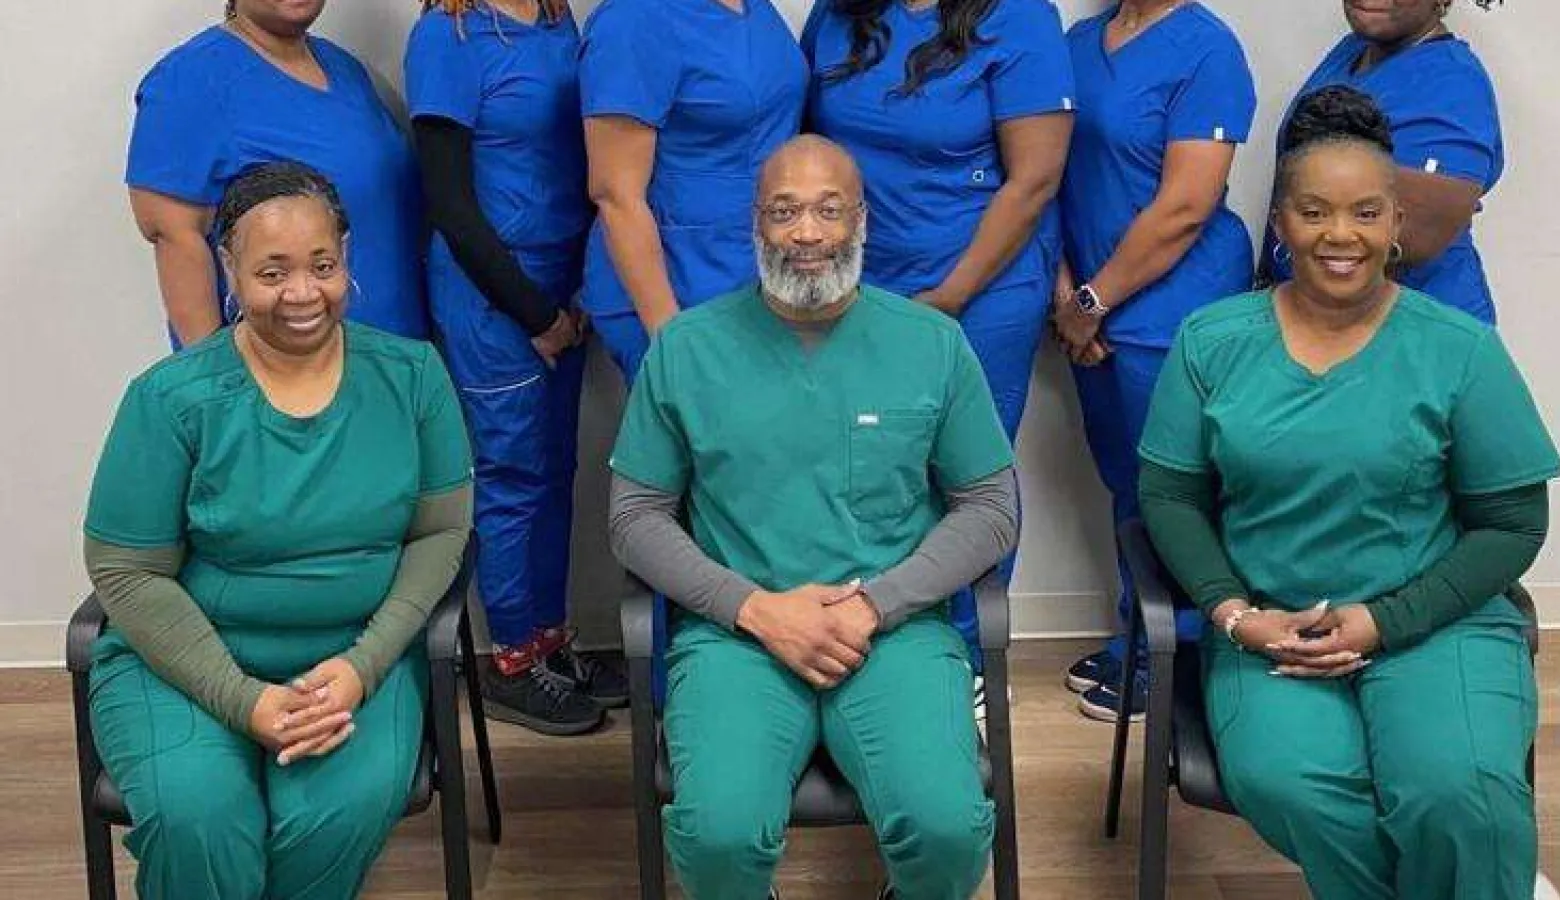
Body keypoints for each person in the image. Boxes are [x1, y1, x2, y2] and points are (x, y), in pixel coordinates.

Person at [1138, 86, 1560, 900]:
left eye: (1367, 213)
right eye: (1315, 212)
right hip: (1276, 629)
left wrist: (1387, 620)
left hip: (1436, 621)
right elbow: (1171, 498)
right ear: (1280, 224)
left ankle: (1481, 874)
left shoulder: (1458, 350)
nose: (1341, 235)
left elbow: (1512, 523)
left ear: (1399, 226)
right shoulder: (1213, 341)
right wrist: (1234, 613)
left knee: (1456, 793)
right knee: (1297, 787)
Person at [608, 136, 1018, 900]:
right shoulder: (686, 350)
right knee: (718, 834)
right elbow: (634, 518)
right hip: (738, 636)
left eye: (829, 211)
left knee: (948, 827)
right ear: (754, 225)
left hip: (892, 632)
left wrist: (874, 604)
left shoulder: (931, 344)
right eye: (784, 212)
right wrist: (754, 609)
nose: (806, 233)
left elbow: (991, 509)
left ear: (862, 220)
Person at [83, 162, 473, 899]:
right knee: (200, 816)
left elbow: (441, 534)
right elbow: (127, 570)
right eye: (272, 271)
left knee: (334, 816)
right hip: (187, 664)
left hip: (354, 663)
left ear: (346, 258)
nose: (302, 293)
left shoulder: (414, 377)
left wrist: (364, 665)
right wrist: (242, 698)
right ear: (228, 267)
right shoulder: (172, 399)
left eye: (322, 265)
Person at [802, 0, 1074, 667]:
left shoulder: (1019, 16)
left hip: (979, 286)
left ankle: (968, 664)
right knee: (864, 471)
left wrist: (949, 296)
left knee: (967, 483)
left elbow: (1035, 180)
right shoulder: (839, 13)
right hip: (860, 287)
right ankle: (867, 650)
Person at [406, 0, 624, 737]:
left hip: (567, 282)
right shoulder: (450, 34)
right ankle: (508, 661)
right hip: (493, 296)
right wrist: (535, 313)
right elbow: (450, 203)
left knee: (557, 469)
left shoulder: (561, 20)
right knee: (512, 475)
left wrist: (582, 291)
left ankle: (552, 641)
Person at [1053, 0, 1258, 722]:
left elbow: (1187, 205)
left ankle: (1185, 658)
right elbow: (1042, 170)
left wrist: (1091, 301)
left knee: (1177, 490)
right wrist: (1067, 293)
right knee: (1125, 482)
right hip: (1089, 300)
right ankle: (1138, 634)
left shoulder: (1209, 50)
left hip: (1175, 308)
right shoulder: (1079, 41)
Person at [127, 0, 428, 346]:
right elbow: (175, 238)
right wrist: (216, 384)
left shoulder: (344, 68)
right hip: (289, 375)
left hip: (397, 358)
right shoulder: (188, 83)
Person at [578, 0, 807, 381]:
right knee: (702, 432)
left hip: (751, 276)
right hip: (676, 287)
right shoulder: (633, 20)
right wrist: (671, 340)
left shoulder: (753, 9)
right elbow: (615, 195)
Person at [1264, 0, 1506, 324]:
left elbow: (1413, 237)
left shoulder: (1451, 84)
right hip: (1324, 323)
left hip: (1411, 335)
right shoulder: (1354, 50)